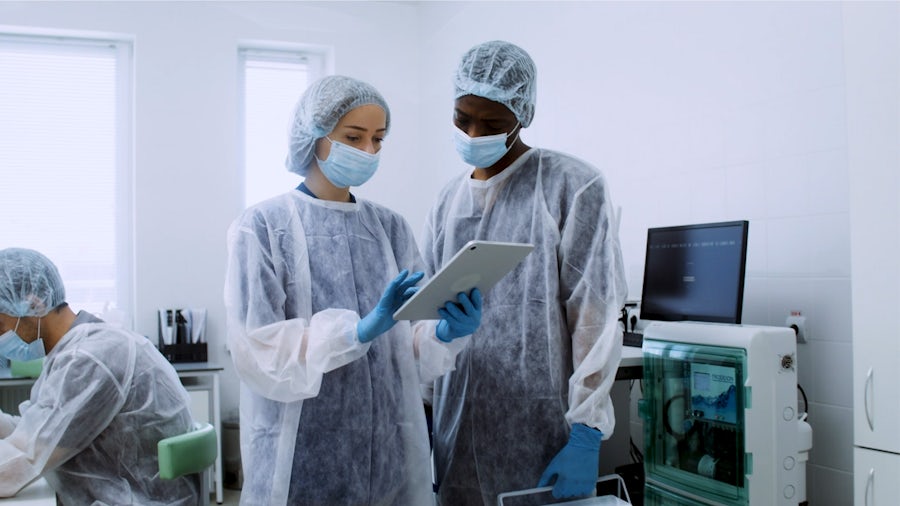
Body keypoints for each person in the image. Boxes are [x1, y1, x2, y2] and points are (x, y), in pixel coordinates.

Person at [224, 74, 482, 505]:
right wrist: (356, 333)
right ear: (314, 135)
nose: (368, 151)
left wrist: (443, 333)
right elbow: (260, 353)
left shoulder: (391, 228)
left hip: (391, 456)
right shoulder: (263, 228)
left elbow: (410, 340)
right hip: (301, 456)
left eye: (378, 139)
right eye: (353, 137)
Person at [423, 40, 628, 505]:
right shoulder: (446, 202)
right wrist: (424, 411)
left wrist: (587, 431)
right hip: (456, 424)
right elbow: (427, 317)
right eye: (462, 119)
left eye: (492, 123)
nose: (474, 134)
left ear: (523, 114)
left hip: (539, 427)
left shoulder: (571, 185)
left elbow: (594, 316)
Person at [0, 248, 197, 503]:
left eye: (0, 326)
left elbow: (18, 466)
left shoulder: (88, 359)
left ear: (34, 304)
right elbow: (38, 432)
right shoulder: (79, 349)